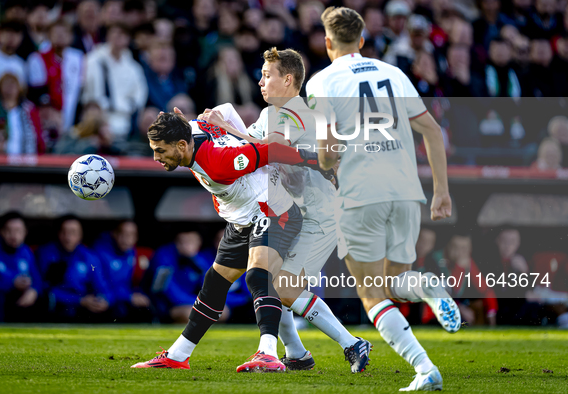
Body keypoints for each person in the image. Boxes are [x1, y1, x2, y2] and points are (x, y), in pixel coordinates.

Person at [308, 7, 460, 391]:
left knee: (372, 291)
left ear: (328, 42)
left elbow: (326, 152)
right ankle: (425, 286)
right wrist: (440, 191)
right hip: (407, 191)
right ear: (362, 40)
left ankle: (424, 368)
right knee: (394, 282)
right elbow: (432, 129)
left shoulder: (322, 82)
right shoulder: (394, 73)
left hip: (361, 194)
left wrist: (327, 159)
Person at [200, 47, 371, 373]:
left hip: (320, 215)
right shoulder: (269, 115)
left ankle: (351, 343)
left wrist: (225, 125)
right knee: (271, 281)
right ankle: (296, 353)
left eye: (268, 75)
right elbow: (245, 148)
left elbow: (270, 149)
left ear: (288, 79)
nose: (261, 81)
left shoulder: (295, 113)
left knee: (283, 286)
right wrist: (200, 130)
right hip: (296, 213)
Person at [131, 107, 330, 372]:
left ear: (181, 145)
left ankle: (268, 353)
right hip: (243, 216)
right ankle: (178, 355)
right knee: (214, 283)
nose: (156, 157)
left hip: (271, 209)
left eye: (160, 150)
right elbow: (221, 110)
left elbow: (271, 151)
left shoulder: (218, 164)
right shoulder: (192, 128)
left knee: (259, 276)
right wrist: (200, 119)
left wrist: (316, 162)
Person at [36, 216, 111, 322]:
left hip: (85, 305)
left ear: (80, 235)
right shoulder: (47, 254)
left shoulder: (89, 257)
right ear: (58, 233)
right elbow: (45, 290)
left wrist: (104, 300)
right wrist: (79, 300)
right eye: (64, 232)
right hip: (60, 305)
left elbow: (101, 286)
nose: (68, 238)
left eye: (73, 233)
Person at [82, 23, 148, 140]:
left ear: (128, 39)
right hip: (97, 120)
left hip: (124, 120)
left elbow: (139, 96)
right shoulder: (93, 60)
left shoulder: (134, 68)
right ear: (108, 36)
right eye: (115, 33)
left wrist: (127, 106)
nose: (118, 37)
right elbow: (86, 91)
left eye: (122, 34)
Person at [0, 212, 41, 322]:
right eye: (9, 231)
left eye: (18, 231)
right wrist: (11, 283)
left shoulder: (26, 251)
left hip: (21, 300)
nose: (14, 236)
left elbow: (37, 280)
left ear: (25, 232)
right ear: (1, 232)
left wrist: (34, 290)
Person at [27, 19, 85, 134]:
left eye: (64, 33)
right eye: (56, 33)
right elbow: (39, 93)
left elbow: (81, 86)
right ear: (49, 36)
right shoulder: (37, 58)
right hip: (48, 116)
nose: (60, 36)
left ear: (71, 36)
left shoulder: (78, 57)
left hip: (72, 112)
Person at [93, 220, 152, 322]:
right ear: (114, 234)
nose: (127, 239)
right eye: (123, 234)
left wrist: (136, 295)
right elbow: (101, 286)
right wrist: (129, 297)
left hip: (123, 297)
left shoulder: (132, 253)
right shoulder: (99, 253)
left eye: (132, 235)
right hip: (107, 299)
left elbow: (128, 283)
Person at [0, 73, 45, 155]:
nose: (9, 88)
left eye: (12, 84)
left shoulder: (29, 109)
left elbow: (38, 136)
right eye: (6, 84)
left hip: (26, 157)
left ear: (19, 88)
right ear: (0, 88)